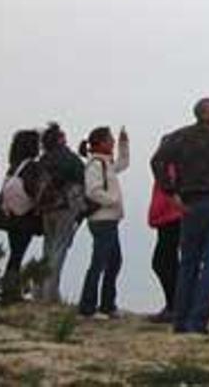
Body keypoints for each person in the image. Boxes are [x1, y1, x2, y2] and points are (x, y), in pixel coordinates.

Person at [151, 98, 209, 335]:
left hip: (190, 207)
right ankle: (198, 322)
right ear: (208, 114)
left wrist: (171, 193)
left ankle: (180, 321)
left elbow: (157, 161)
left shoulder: (180, 137)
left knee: (188, 264)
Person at [78, 127, 129, 319]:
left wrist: (125, 144)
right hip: (102, 219)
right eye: (110, 140)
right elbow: (93, 191)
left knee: (113, 261)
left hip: (109, 219)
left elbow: (123, 164)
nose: (113, 143)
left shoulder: (105, 163)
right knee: (99, 262)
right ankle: (88, 307)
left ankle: (107, 305)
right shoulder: (95, 165)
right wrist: (113, 200)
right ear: (100, 143)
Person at [36, 123, 86, 304]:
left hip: (46, 208)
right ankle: (50, 292)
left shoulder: (44, 160)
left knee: (48, 248)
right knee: (60, 249)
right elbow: (83, 178)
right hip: (66, 206)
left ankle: (39, 290)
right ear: (60, 139)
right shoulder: (69, 158)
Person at [0, 130, 44, 304]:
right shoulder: (31, 166)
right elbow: (33, 190)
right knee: (18, 253)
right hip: (24, 217)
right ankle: (10, 291)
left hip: (10, 215)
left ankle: (9, 289)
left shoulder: (14, 165)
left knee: (15, 252)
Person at [147, 153, 184, 324]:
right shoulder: (167, 169)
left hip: (171, 219)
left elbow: (167, 196)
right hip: (168, 219)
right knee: (169, 263)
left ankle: (174, 306)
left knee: (162, 262)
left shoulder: (170, 169)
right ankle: (174, 305)